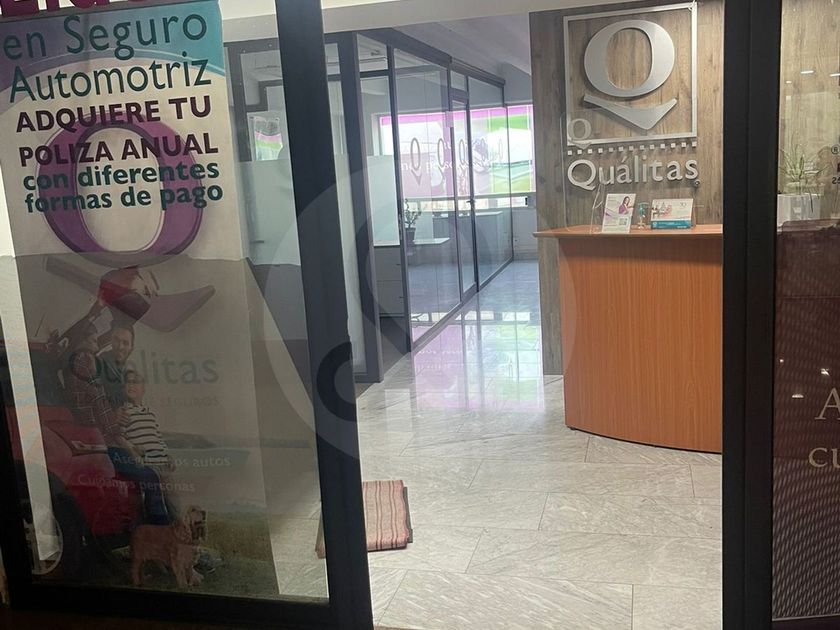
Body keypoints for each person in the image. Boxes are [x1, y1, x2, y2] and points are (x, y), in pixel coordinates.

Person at [63, 326, 170, 526]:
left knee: (154, 474)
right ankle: (161, 529)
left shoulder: (113, 370)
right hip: (105, 442)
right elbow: (103, 413)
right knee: (152, 476)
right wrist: (127, 444)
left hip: (110, 439)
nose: (97, 346)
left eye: (125, 343)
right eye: (93, 340)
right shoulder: (89, 363)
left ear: (131, 347)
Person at [121, 370, 174, 474]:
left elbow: (158, 438)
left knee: (168, 484)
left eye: (136, 382)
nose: (131, 385)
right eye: (128, 382)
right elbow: (120, 437)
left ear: (143, 389)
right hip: (145, 464)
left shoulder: (150, 413)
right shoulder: (124, 412)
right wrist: (133, 451)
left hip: (162, 463)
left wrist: (168, 455)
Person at [100, 323, 135, 410]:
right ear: (111, 341)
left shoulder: (127, 371)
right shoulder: (99, 364)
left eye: (125, 343)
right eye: (116, 340)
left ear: (131, 348)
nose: (120, 347)